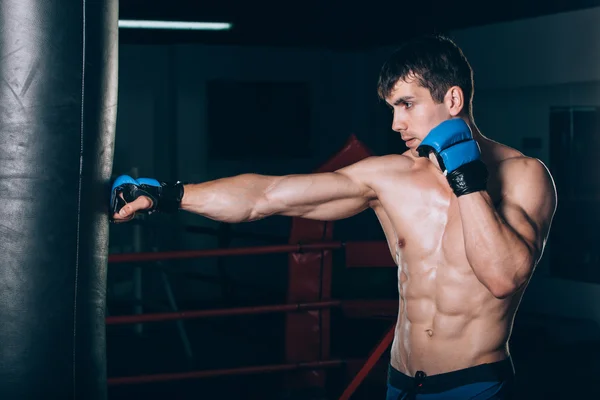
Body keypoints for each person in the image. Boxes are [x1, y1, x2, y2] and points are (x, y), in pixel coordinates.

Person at [110, 34, 557, 399]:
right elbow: (267, 195)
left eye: (407, 104)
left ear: (453, 98)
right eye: (391, 109)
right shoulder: (390, 176)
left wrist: (465, 178)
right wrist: (167, 194)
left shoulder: (523, 176)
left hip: (473, 387)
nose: (396, 125)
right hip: (400, 384)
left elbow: (502, 278)